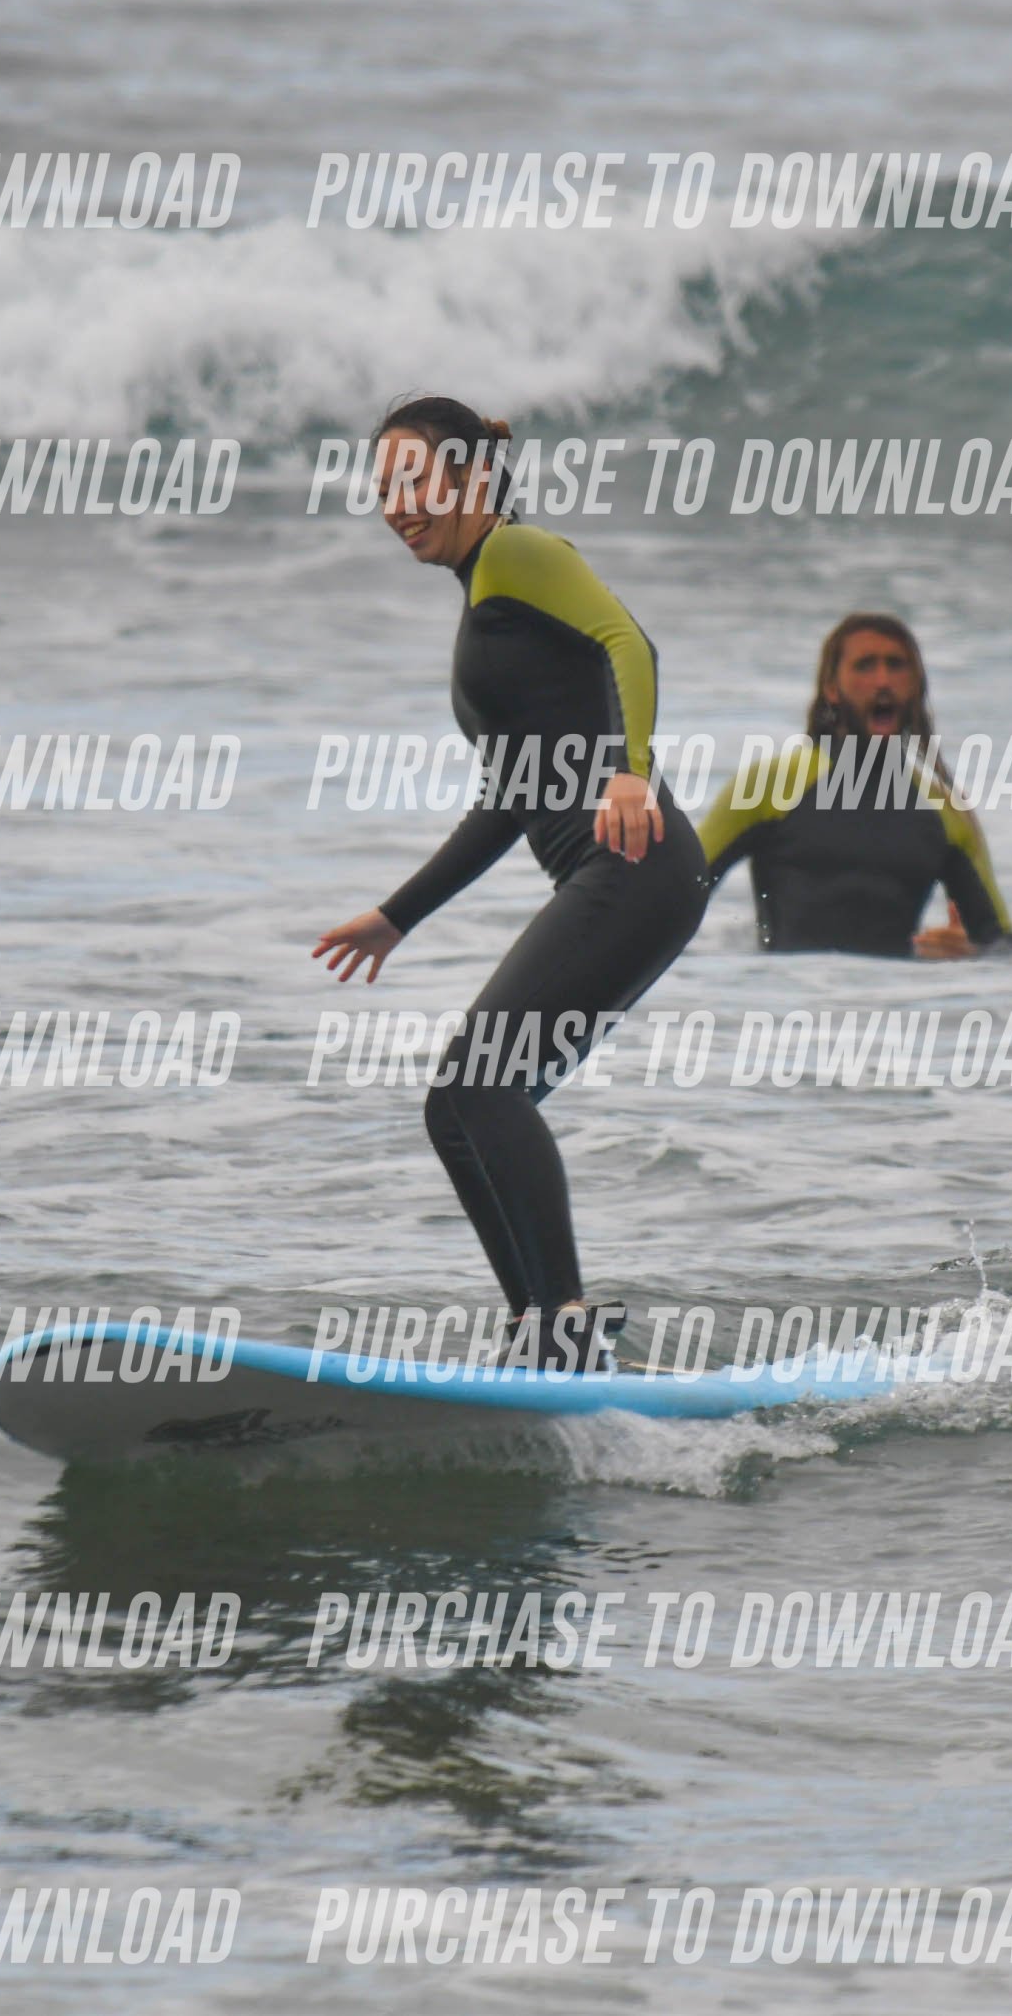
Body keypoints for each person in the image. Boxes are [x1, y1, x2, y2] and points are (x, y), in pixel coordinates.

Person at [312, 398, 706, 1371]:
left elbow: (631, 644)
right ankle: (541, 1333)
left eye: (413, 480)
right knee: (456, 1108)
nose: (397, 506)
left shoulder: (518, 554)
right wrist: (397, 916)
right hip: (617, 874)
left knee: (483, 1085)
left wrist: (629, 772)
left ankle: (562, 1320)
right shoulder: (486, 596)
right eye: (382, 490)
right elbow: (511, 799)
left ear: (469, 477)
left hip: (635, 863)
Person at [697, 611, 1012, 957]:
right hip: (785, 988)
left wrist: (967, 951)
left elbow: (1003, 946)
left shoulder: (945, 811)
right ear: (832, 689)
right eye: (865, 666)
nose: (883, 681)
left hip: (899, 991)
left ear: (915, 686)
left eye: (896, 665)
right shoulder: (768, 787)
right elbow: (678, 893)